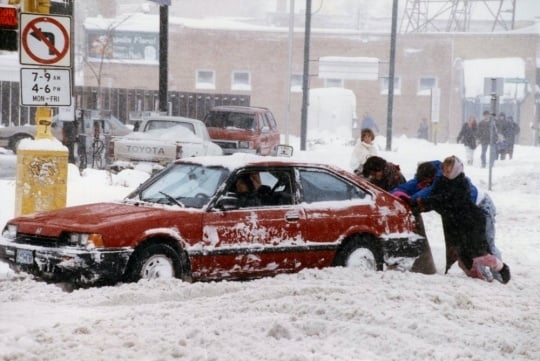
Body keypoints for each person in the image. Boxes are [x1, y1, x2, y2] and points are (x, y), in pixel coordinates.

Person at [409, 156, 510, 283]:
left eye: (448, 171)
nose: (446, 173)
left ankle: (500, 273)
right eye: (444, 170)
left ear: (455, 170)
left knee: (482, 252)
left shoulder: (461, 184)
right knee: (465, 259)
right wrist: (421, 205)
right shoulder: (441, 181)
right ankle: (482, 279)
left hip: (474, 219)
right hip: (458, 224)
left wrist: (422, 201)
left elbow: (448, 199)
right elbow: (437, 199)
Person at [392, 160, 502, 265]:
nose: (423, 186)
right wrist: (394, 194)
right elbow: (411, 186)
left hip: (480, 207)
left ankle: (499, 276)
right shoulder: (426, 175)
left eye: (425, 183)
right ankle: (483, 276)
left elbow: (428, 194)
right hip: (462, 213)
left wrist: (412, 201)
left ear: (431, 178)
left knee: (486, 245)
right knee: (471, 249)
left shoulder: (441, 180)